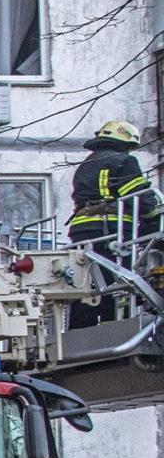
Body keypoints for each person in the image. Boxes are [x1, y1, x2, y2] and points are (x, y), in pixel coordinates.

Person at [70, 121, 159, 327]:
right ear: (124, 142)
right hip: (110, 230)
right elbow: (139, 196)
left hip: (81, 231)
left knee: (86, 285)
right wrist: (154, 213)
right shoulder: (124, 161)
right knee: (118, 283)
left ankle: (79, 330)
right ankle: (114, 326)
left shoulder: (86, 164)